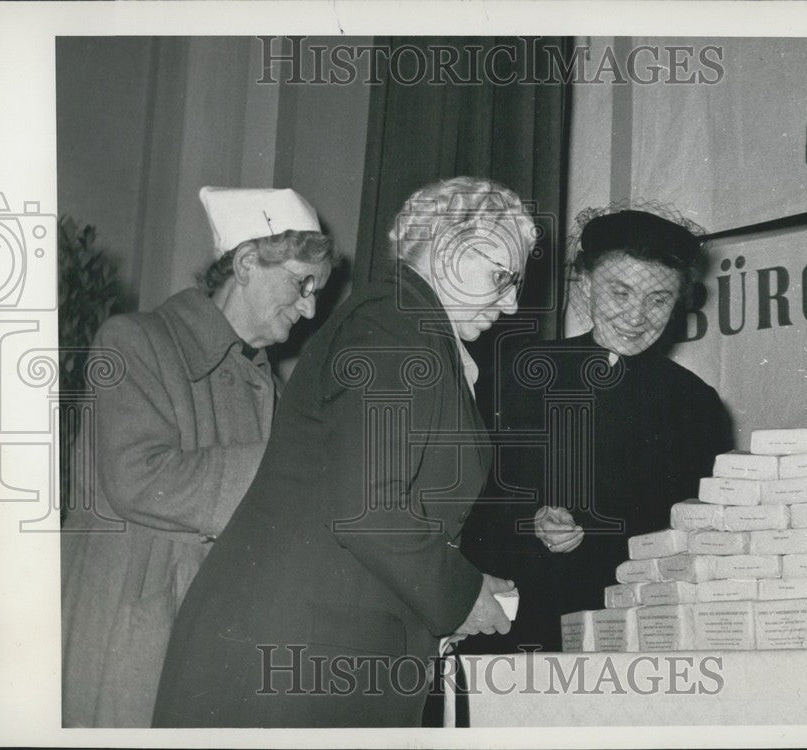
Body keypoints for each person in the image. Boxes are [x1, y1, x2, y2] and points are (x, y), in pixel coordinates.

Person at [151, 176, 534, 728]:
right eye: (502, 275)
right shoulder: (393, 323)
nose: (514, 301)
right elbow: (372, 509)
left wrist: (464, 580)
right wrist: (463, 593)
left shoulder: (411, 330)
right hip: (290, 666)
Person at [61, 186, 336, 727]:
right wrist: (292, 460)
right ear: (248, 261)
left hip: (210, 635)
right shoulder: (132, 341)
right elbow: (138, 478)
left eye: (317, 292)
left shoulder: (269, 388)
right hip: (127, 633)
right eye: (302, 283)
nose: (309, 308)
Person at [462, 207, 734, 652]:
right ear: (585, 285)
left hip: (638, 637)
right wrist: (529, 522)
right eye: (620, 292)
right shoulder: (510, 377)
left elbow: (697, 533)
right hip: (514, 632)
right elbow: (463, 511)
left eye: (658, 298)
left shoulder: (695, 403)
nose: (637, 315)